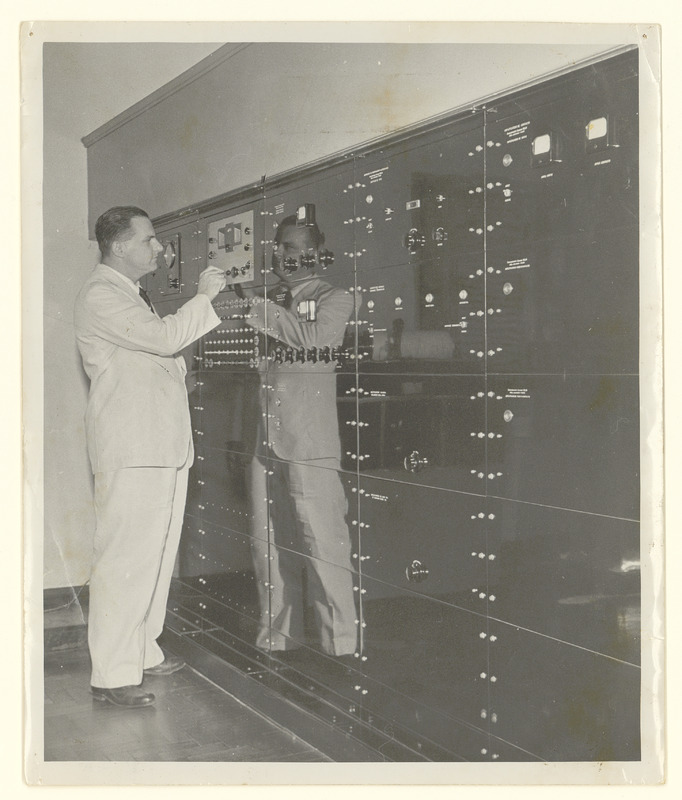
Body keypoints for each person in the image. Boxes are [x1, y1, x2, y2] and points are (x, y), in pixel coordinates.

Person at [74, 206, 226, 707]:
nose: (159, 249)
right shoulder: (101, 294)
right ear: (119, 246)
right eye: (150, 240)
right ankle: (112, 676)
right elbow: (165, 341)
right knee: (125, 560)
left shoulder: (131, 296)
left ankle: (141, 652)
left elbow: (157, 359)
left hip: (158, 447)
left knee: (155, 558)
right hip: (134, 448)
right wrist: (205, 296)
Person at [237, 213, 359, 660]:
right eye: (280, 246)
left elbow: (318, 342)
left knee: (322, 541)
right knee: (265, 541)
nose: (283, 255)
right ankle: (276, 639)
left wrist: (262, 311)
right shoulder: (273, 304)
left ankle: (340, 647)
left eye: (293, 247)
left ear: (317, 253)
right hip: (265, 439)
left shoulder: (337, 298)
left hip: (309, 440)